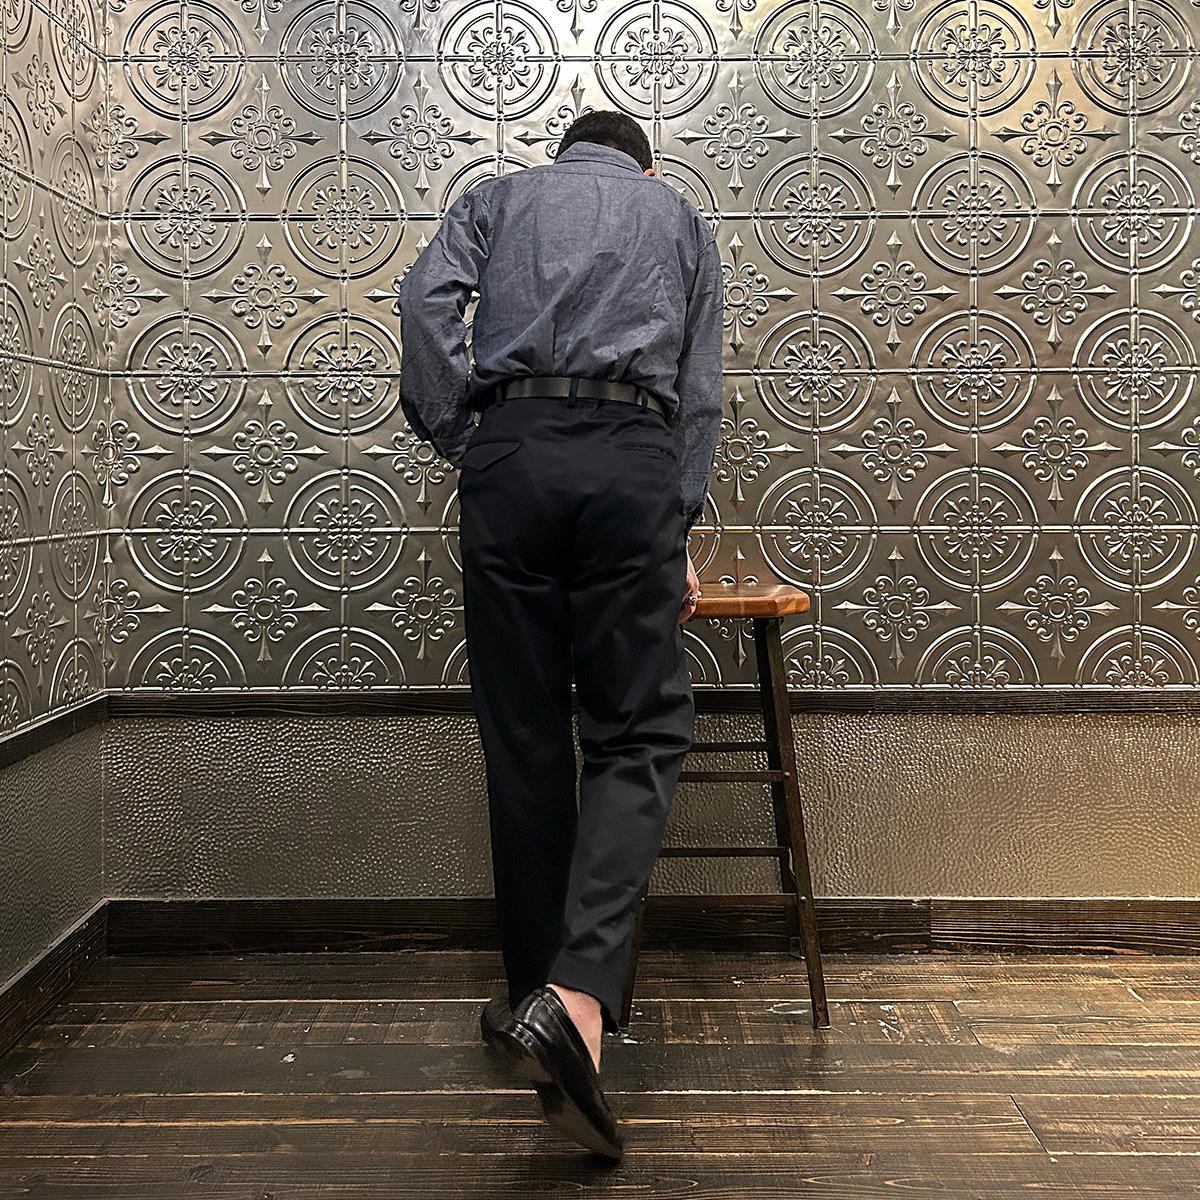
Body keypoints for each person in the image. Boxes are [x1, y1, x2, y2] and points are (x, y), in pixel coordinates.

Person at [397, 110, 725, 1158]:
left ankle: (533, 994)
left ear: (567, 152)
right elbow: (700, 391)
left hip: (514, 451)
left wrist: (468, 433)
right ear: (643, 167)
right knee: (638, 731)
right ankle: (577, 1001)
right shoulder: (677, 217)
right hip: (631, 455)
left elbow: (423, 301)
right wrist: (675, 520)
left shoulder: (497, 198)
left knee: (525, 735)